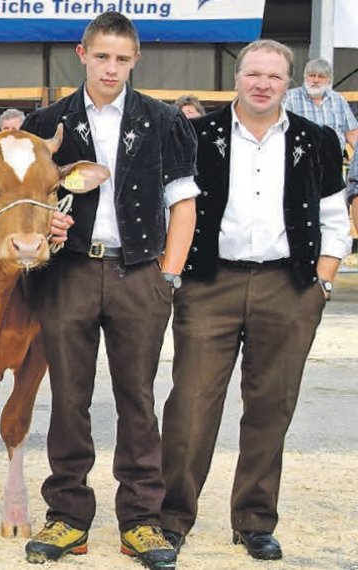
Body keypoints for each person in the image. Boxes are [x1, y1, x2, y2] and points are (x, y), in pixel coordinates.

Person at [20, 12, 198, 569]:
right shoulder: (47, 123)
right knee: (68, 396)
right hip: (68, 273)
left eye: (122, 58)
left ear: (135, 59)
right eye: (102, 56)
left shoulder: (164, 120)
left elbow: (183, 204)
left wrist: (168, 275)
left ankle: (141, 519)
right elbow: (27, 204)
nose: (111, 68)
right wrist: (45, 224)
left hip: (140, 272)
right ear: (83, 54)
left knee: (137, 398)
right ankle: (68, 516)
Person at [160, 39, 348, 562]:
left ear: (289, 82)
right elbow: (168, 207)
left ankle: (254, 520)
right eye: (254, 74)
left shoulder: (316, 139)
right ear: (237, 77)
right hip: (209, 284)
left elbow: (335, 219)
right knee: (191, 404)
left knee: (271, 406)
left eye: (274, 75)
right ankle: (171, 517)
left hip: (288, 286)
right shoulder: (197, 134)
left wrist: (322, 283)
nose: (263, 84)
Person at [283, 58, 358, 149]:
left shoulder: (338, 99)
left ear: (329, 80)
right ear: (305, 77)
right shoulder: (290, 98)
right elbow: (280, 131)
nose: (316, 80)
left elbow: (352, 133)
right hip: (301, 155)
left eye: (321, 77)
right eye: (312, 75)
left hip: (334, 156)